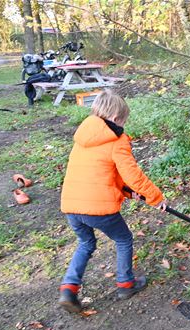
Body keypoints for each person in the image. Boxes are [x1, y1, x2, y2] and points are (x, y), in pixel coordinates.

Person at [58, 89, 167, 313]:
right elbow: (132, 175)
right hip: (98, 208)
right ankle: (126, 284)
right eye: (124, 120)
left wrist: (128, 192)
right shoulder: (116, 139)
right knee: (124, 239)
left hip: (71, 206)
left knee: (86, 243)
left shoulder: (83, 136)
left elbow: (102, 173)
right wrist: (155, 198)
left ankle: (69, 288)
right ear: (116, 119)